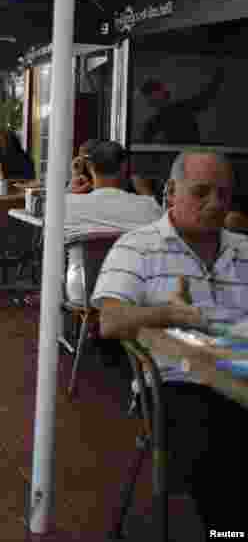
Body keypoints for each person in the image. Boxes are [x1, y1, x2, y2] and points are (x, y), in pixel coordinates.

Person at [94, 150, 248, 534]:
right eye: (201, 192)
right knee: (223, 440)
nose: (215, 204)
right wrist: (166, 314)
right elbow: (109, 323)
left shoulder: (245, 251)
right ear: (171, 191)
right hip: (176, 382)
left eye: (223, 195)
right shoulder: (137, 247)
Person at [63, 141, 162, 303]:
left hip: (83, 292)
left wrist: (70, 187)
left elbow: (49, 228)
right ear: (124, 167)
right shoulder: (148, 207)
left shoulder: (68, 205)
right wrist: (146, 193)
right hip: (133, 292)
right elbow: (165, 233)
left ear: (89, 167)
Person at [140, 68, 226, 145]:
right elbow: (145, 142)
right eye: (150, 94)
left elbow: (205, 97)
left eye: (155, 92)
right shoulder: (155, 120)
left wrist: (216, 80)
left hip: (192, 155)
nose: (154, 97)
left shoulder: (183, 108)